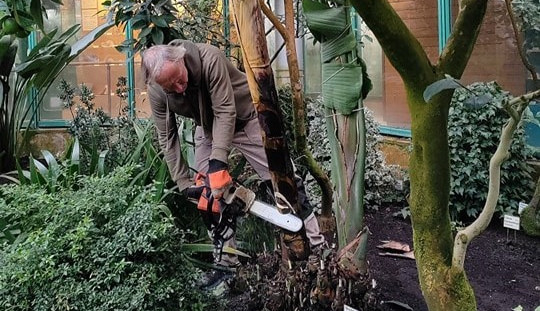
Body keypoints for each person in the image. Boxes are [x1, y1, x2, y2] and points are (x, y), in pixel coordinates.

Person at [141, 39, 324, 288]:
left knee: (286, 181)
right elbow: (167, 135)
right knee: (208, 198)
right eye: (170, 87)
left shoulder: (210, 58)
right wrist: (183, 181)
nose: (179, 88)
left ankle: (318, 249)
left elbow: (225, 111)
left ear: (181, 59)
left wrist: (218, 164)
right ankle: (227, 264)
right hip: (206, 128)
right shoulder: (157, 91)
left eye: (180, 79)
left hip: (243, 119)